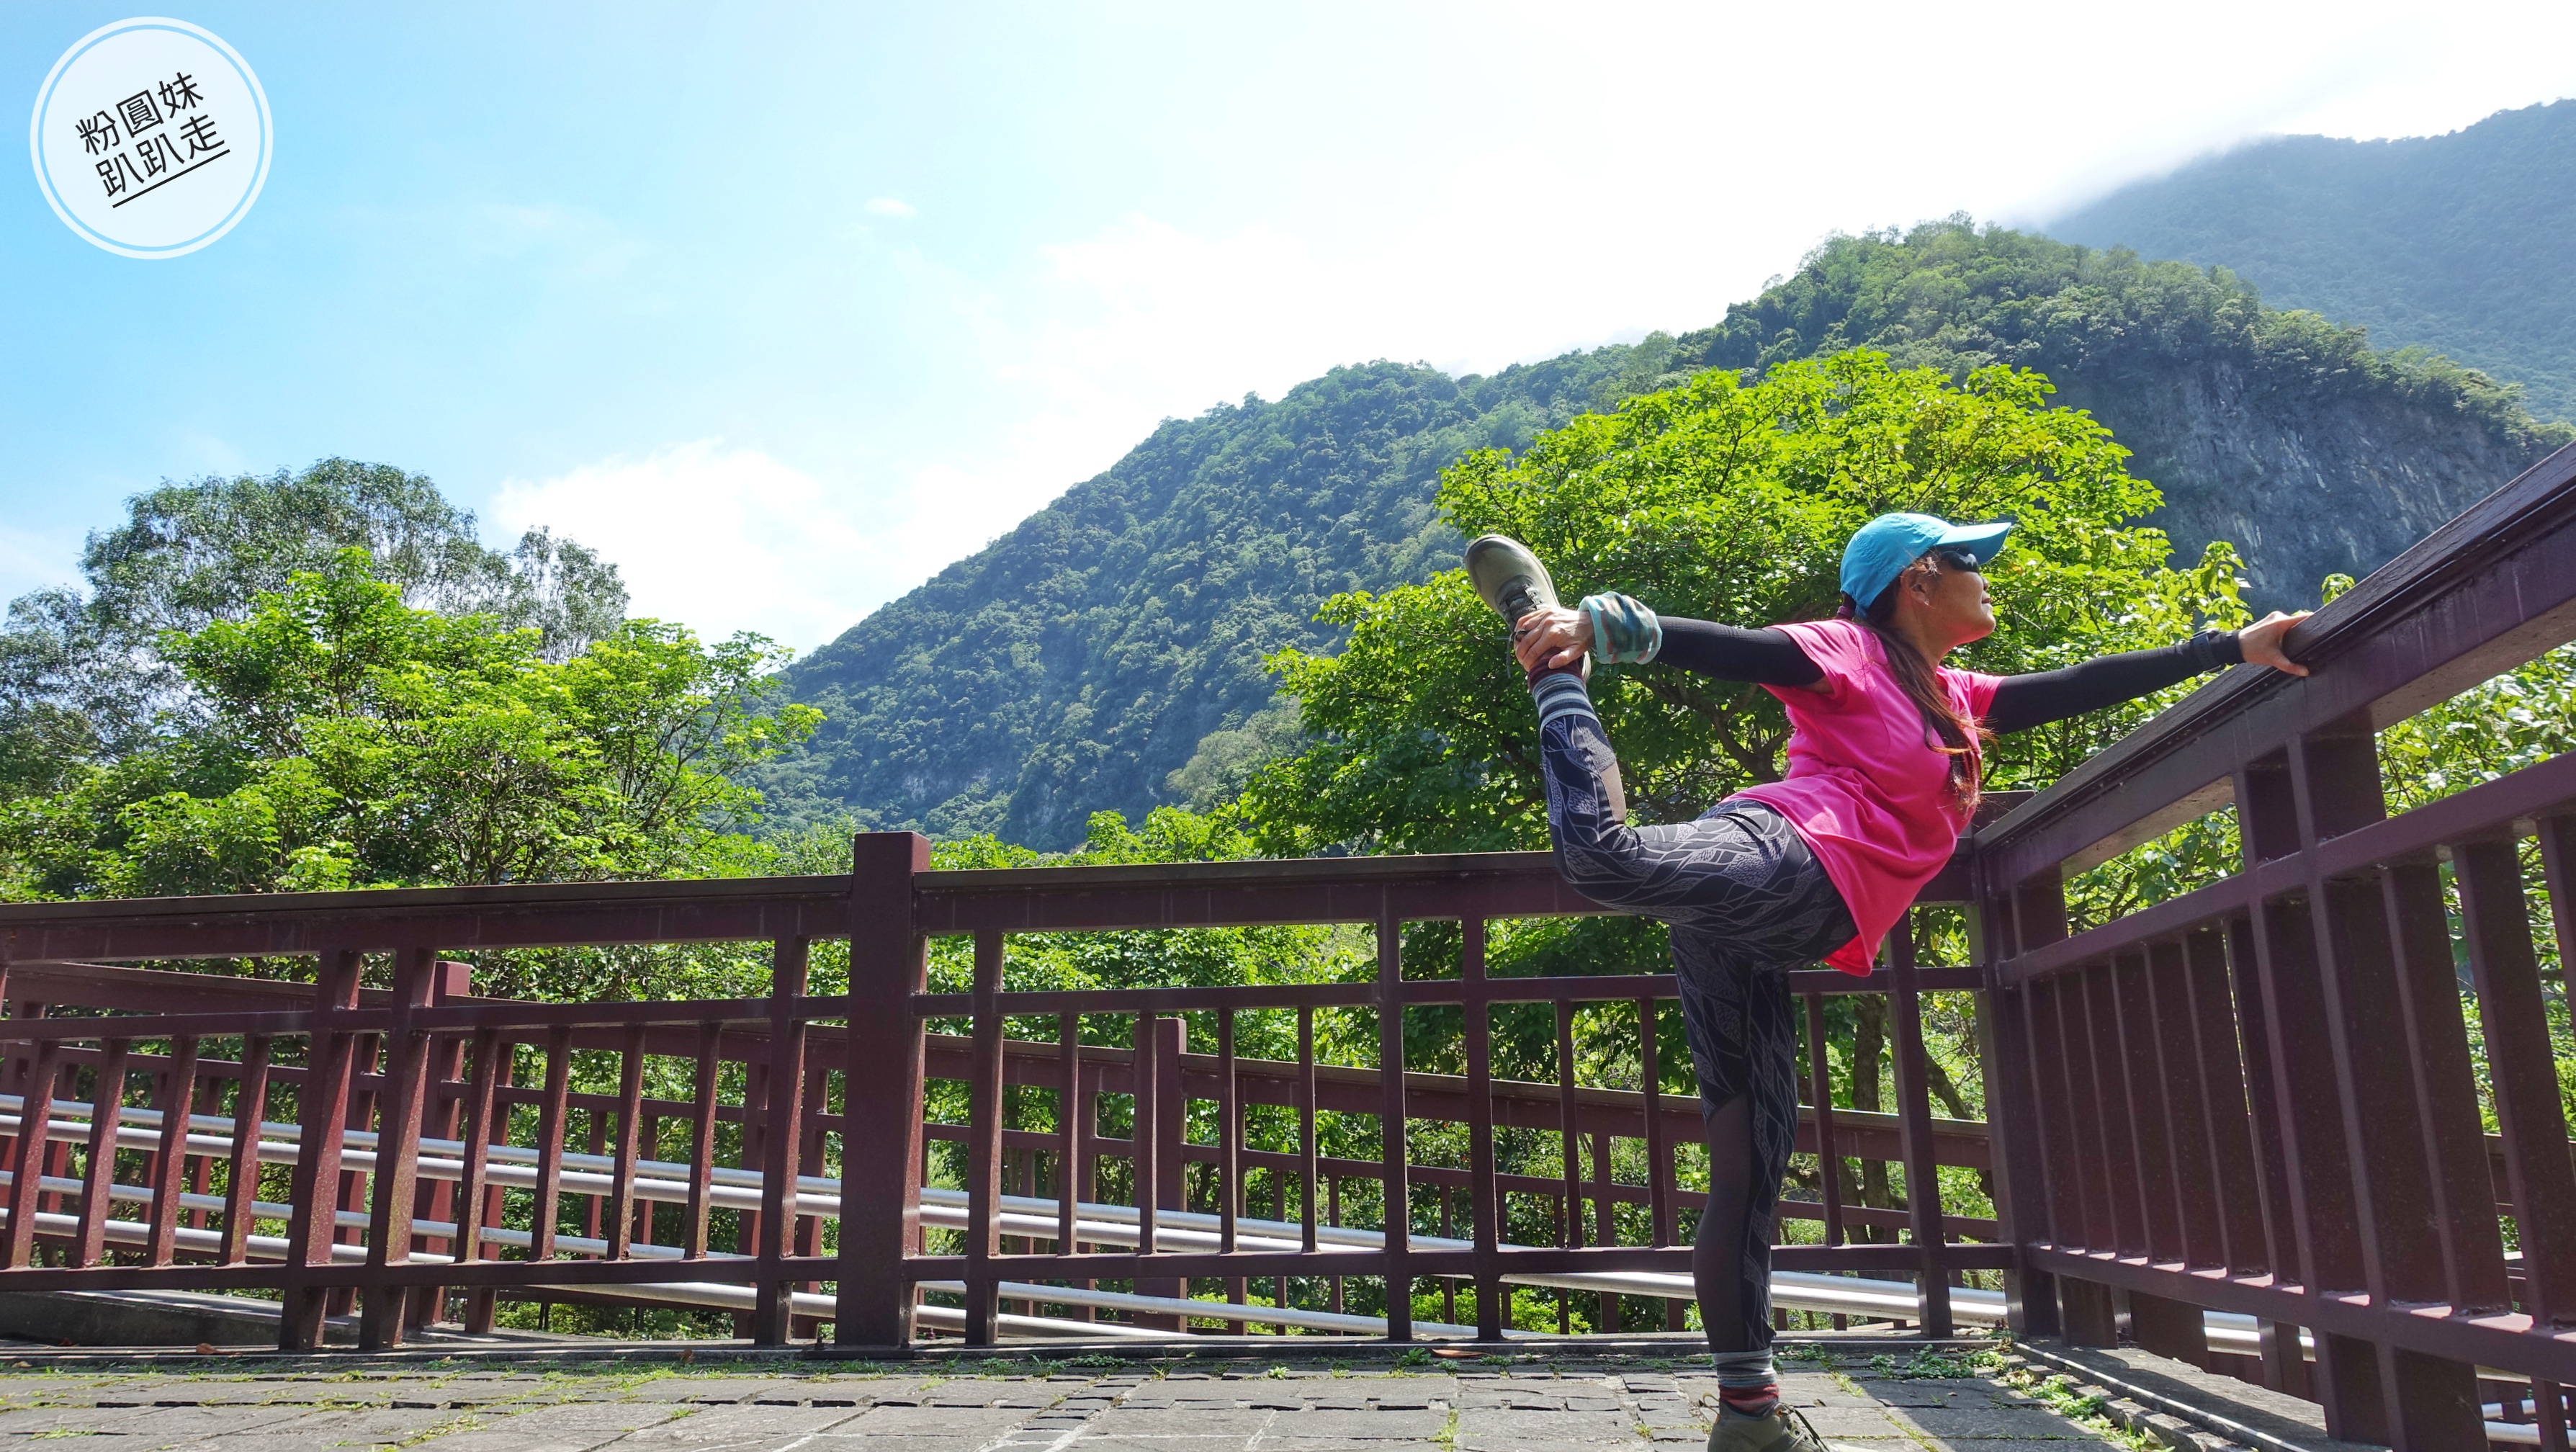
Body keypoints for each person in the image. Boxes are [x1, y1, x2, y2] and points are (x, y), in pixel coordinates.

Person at [1464, 515, 2308, 1452]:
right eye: (1967, 565)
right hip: (1778, 851)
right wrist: (1610, 630)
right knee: (1603, 862)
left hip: (1786, 916)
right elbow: (1755, 654)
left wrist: (2229, 648)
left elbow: (2077, 687)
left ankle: (1749, 1413)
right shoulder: (1847, 648)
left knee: (1750, 1165)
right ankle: (1552, 668)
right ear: (1915, 579)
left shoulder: (1951, 693)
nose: (1984, 579)